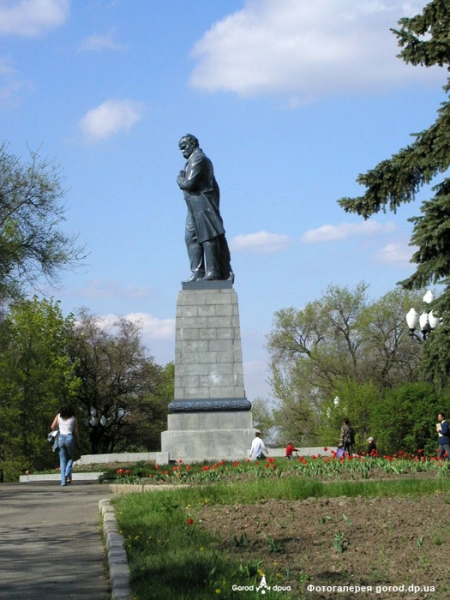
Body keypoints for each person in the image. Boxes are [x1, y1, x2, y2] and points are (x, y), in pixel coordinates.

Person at [177, 134, 233, 282]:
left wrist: (180, 180)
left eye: (184, 147)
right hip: (193, 207)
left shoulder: (199, 159)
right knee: (191, 238)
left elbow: (189, 184)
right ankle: (197, 272)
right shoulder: (192, 161)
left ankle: (213, 272)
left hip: (203, 205)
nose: (183, 152)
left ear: (192, 144)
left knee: (208, 237)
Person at [51, 403, 80, 486]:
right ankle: (67, 473)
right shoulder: (73, 418)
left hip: (60, 438)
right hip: (69, 438)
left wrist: (58, 428)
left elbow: (52, 426)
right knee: (70, 458)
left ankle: (63, 481)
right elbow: (76, 430)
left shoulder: (58, 416)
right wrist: (78, 441)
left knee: (62, 460)